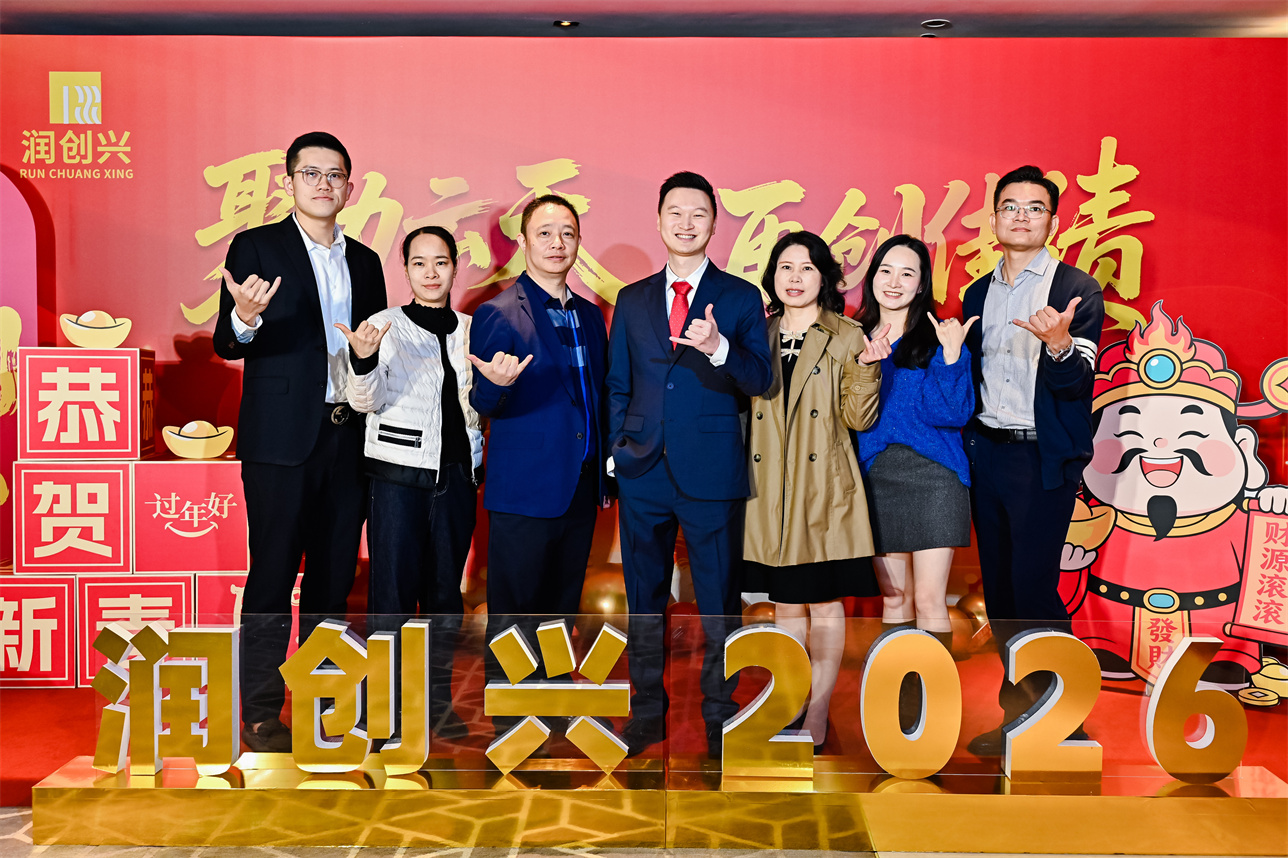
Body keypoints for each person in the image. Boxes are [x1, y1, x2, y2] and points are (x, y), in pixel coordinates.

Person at [213, 131, 388, 752]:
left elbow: (372, 353)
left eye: (334, 175)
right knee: (272, 576)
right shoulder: (257, 247)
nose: (322, 184)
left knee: (333, 582)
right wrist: (246, 317)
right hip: (281, 443)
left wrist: (366, 357)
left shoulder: (366, 261)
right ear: (288, 182)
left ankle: (322, 707)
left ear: (349, 187)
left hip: (348, 438)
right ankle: (261, 713)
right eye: (310, 173)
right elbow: (227, 342)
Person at [607, 171, 773, 758]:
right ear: (658, 220)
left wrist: (718, 348)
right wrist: (618, 452)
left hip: (712, 470)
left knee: (719, 601)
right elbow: (619, 384)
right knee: (644, 598)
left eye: (698, 213)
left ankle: (719, 717)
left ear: (713, 223)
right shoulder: (632, 299)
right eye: (675, 212)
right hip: (643, 470)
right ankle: (647, 712)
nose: (686, 223)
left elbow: (761, 378)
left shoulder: (740, 297)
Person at [960, 165, 1105, 755]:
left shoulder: (1076, 289)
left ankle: (1062, 721)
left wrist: (1060, 346)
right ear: (994, 218)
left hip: (1040, 458)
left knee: (1034, 589)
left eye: (1034, 207)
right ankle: (1018, 717)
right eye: (1010, 206)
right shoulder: (977, 293)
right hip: (986, 455)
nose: (1021, 216)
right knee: (999, 594)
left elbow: (1079, 384)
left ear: (1053, 220)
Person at [468, 194, 610, 737]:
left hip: (579, 485)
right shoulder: (497, 312)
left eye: (567, 233)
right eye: (545, 233)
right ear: (523, 241)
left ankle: (550, 707)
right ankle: (510, 720)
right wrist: (494, 387)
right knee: (514, 608)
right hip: (524, 488)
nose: (557, 243)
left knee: (560, 607)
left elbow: (595, 397)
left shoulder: (590, 316)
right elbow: (485, 401)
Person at [742, 231, 885, 753]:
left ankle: (819, 712)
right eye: (785, 267)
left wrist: (868, 369)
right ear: (772, 276)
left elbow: (858, 419)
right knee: (785, 606)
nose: (795, 277)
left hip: (824, 492)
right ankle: (790, 703)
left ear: (824, 277)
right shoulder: (756, 333)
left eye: (806, 267)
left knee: (824, 606)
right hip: (768, 494)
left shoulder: (847, 335)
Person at [342, 226, 482, 741]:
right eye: (419, 263)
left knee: (444, 597)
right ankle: (383, 711)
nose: (430, 273)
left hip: (457, 478)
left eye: (440, 262)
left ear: (455, 266)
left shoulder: (472, 329)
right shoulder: (384, 325)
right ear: (405, 270)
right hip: (398, 479)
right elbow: (364, 401)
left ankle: (437, 706)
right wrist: (362, 358)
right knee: (392, 596)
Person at [855, 235, 975, 652]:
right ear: (872, 277)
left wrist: (952, 356)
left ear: (922, 284)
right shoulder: (851, 337)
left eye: (907, 273)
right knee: (894, 597)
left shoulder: (941, 336)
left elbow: (952, 414)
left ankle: (930, 692)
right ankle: (899, 690)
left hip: (935, 477)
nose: (894, 282)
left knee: (928, 599)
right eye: (886, 271)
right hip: (874, 476)